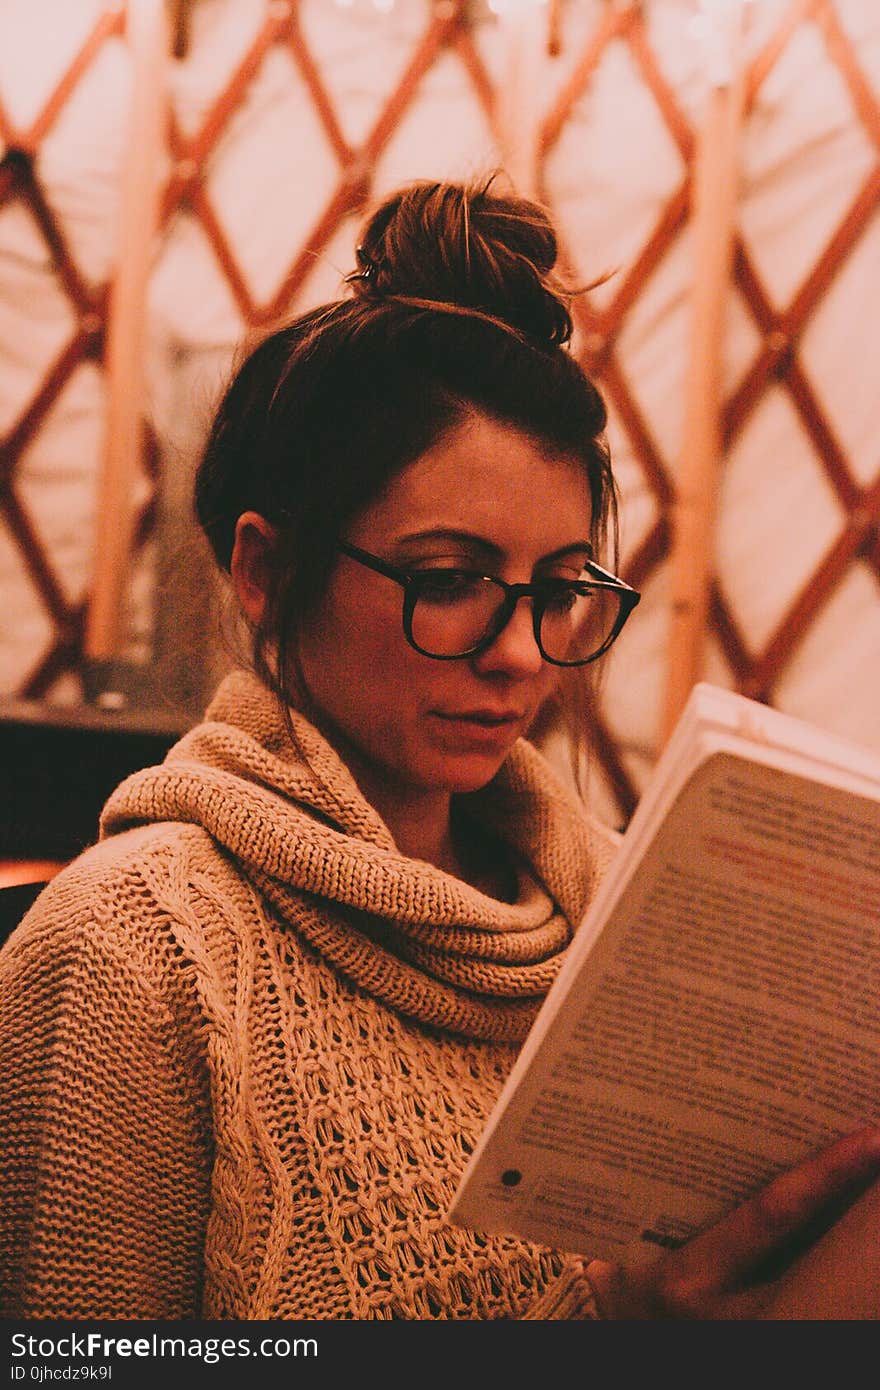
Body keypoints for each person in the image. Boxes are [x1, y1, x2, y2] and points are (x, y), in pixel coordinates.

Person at [1, 176, 878, 1322]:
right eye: (451, 579)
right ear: (266, 573)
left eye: (561, 588)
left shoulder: (634, 925)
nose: (520, 652)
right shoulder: (139, 957)